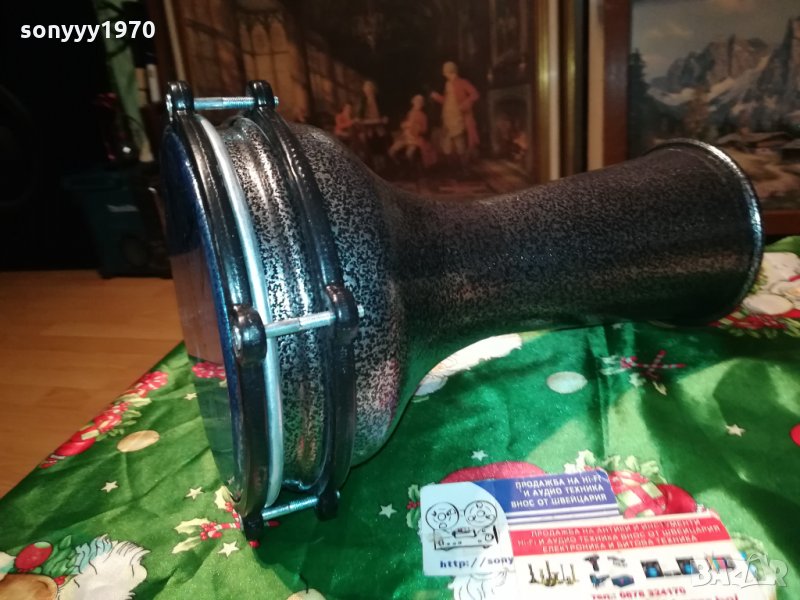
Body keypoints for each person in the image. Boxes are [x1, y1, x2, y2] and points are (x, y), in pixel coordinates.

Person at [430, 61, 480, 165]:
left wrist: (465, 104)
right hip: (447, 116)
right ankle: (451, 165)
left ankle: (463, 165)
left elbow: (475, 94)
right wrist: (437, 97)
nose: (444, 75)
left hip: (457, 116)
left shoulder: (462, 82)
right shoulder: (447, 84)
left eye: (446, 72)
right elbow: (447, 101)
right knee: (447, 140)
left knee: (459, 139)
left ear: (451, 71)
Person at [388, 94, 436, 168]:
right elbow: (404, 124)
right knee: (391, 151)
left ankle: (411, 168)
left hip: (415, 139)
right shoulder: (410, 113)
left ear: (422, 104)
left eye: (420, 102)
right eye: (417, 102)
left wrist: (417, 128)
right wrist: (404, 125)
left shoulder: (423, 116)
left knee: (409, 153)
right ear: (413, 103)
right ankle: (399, 165)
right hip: (405, 137)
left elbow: (424, 129)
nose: (418, 104)